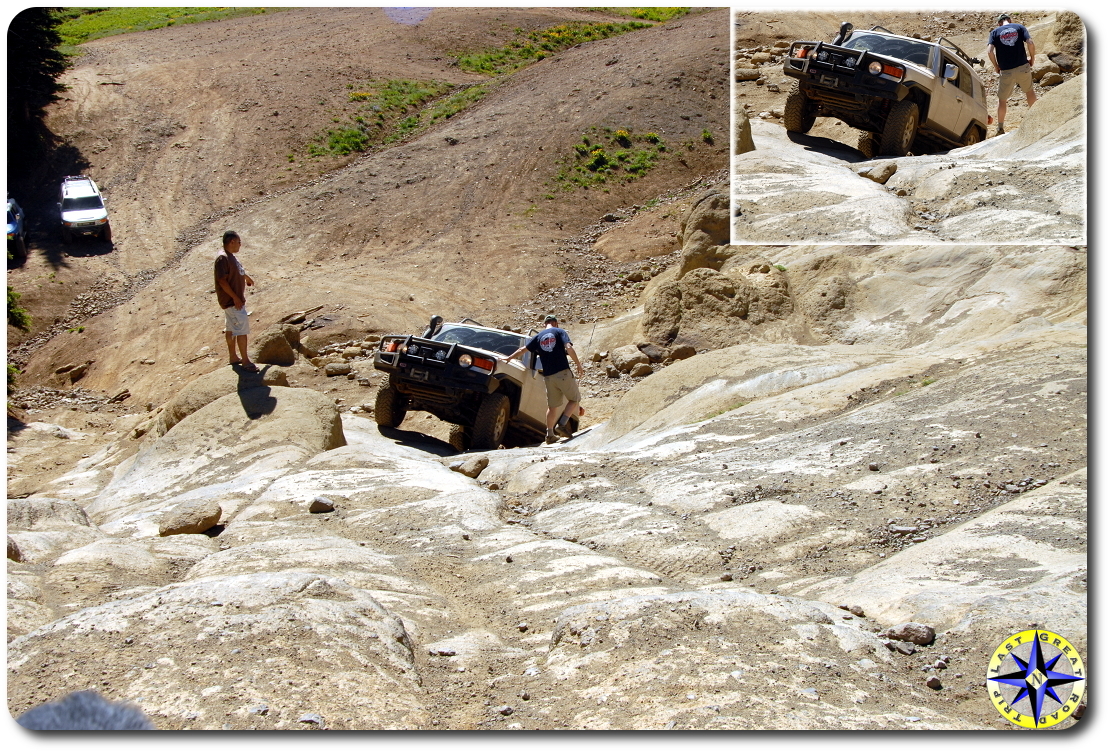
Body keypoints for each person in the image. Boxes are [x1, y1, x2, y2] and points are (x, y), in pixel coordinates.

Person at [501, 314, 585, 444]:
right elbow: (568, 347)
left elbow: (523, 349)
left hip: (548, 377)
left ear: (544, 324)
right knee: (574, 399)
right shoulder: (559, 331)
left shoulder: (538, 337)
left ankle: (550, 434)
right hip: (562, 373)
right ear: (556, 323)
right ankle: (562, 424)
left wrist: (509, 358)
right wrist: (578, 364)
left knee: (552, 407)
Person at [214, 230, 258, 372]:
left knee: (231, 329)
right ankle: (245, 361)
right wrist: (235, 297)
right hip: (233, 302)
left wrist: (246, 277)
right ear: (232, 242)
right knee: (241, 330)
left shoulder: (230, 257)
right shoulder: (223, 258)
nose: (240, 245)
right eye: (239, 242)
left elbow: (236, 270)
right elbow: (222, 280)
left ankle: (233, 356)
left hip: (232, 301)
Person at [987, 13, 1037, 136]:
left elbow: (989, 51)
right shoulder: (1019, 27)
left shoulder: (994, 32)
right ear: (1010, 20)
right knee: (1029, 92)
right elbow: (1030, 43)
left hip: (1006, 71)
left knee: (1002, 99)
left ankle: (1000, 128)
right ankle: (1037, 119)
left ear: (999, 23)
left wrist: (996, 66)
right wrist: (1032, 58)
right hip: (1023, 66)